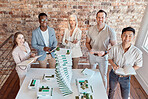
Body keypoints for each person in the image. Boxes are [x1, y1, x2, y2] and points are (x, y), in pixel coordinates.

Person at [108, 27, 143, 99]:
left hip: (126, 77)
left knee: (125, 96)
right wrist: (113, 65)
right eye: (125, 35)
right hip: (114, 74)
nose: (127, 38)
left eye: (130, 36)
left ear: (133, 37)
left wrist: (130, 70)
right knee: (112, 90)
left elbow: (139, 64)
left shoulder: (137, 52)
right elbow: (109, 58)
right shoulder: (114, 48)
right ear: (121, 36)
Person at [86, 10, 117, 90]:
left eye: (102, 17)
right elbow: (87, 42)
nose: (100, 19)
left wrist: (105, 52)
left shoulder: (110, 31)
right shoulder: (90, 29)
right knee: (92, 73)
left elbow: (114, 47)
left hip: (103, 57)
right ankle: (92, 89)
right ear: (96, 18)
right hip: (92, 56)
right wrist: (90, 49)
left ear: (105, 18)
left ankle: (103, 94)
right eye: (99, 17)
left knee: (103, 76)